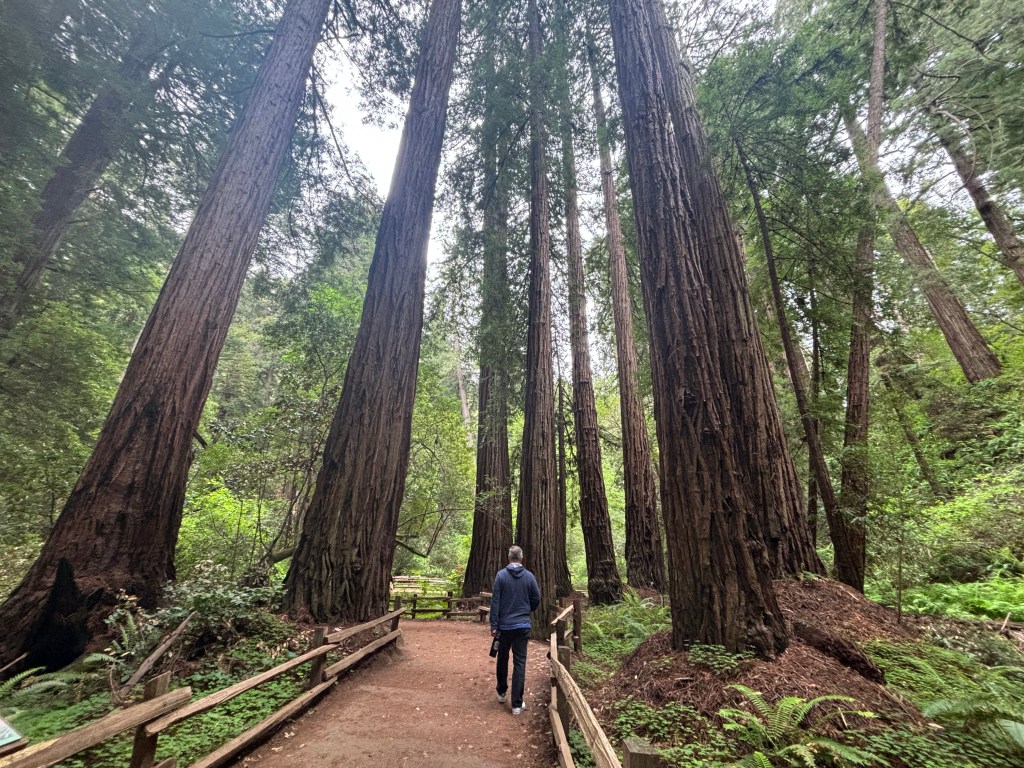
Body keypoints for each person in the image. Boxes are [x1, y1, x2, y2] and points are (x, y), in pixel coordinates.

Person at [490, 545, 541, 715]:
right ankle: (517, 705)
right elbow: (536, 598)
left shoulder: (501, 576)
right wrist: (527, 610)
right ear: (522, 557)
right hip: (522, 626)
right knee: (520, 662)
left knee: (502, 658)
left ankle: (502, 692)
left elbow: (495, 602)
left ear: (508, 557)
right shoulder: (529, 577)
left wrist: (494, 625)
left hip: (504, 626)